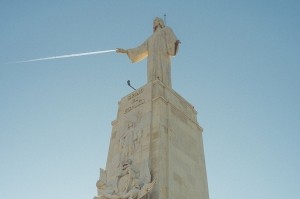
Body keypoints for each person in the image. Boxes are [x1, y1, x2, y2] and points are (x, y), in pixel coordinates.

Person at [117, 17, 180, 88]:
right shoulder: (150, 38)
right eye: (153, 21)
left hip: (162, 56)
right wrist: (126, 51)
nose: (154, 22)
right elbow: (140, 49)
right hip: (152, 60)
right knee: (152, 73)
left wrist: (175, 43)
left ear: (160, 22)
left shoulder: (166, 29)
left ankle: (164, 87)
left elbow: (172, 40)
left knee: (163, 71)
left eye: (156, 21)